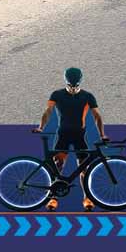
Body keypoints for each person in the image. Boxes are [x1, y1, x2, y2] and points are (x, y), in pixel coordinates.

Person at [34, 68, 105, 211]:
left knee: (84, 168)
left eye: (75, 86)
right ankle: (52, 198)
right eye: (70, 86)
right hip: (63, 135)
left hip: (80, 136)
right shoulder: (57, 94)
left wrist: (102, 135)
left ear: (80, 82)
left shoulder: (87, 96)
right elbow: (48, 111)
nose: (73, 88)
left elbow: (97, 116)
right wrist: (41, 127)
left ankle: (87, 198)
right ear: (66, 82)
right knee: (58, 165)